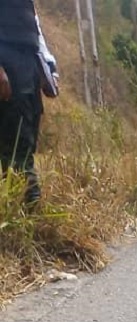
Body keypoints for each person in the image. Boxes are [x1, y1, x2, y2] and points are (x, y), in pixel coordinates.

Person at [0, 1, 59, 205]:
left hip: (29, 66)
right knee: (16, 149)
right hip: (8, 65)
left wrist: (48, 67)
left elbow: (34, 23)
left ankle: (26, 217)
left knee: (26, 145)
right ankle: (26, 218)